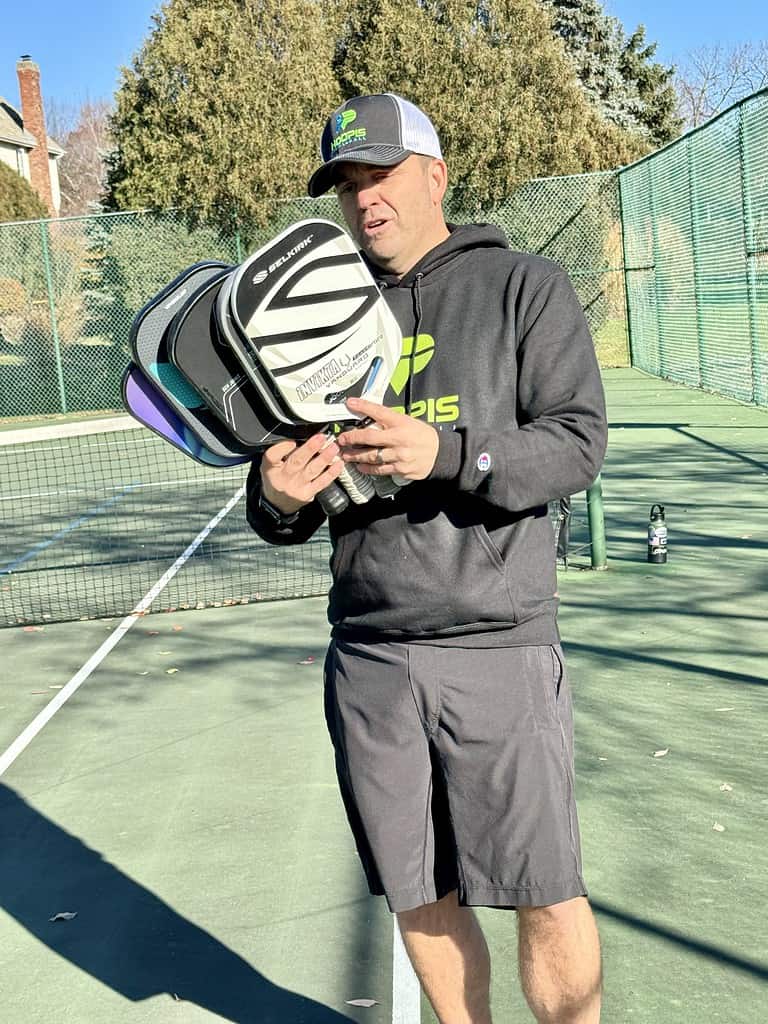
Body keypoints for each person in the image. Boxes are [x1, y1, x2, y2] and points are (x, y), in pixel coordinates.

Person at [246, 93, 606, 1024]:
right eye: (349, 184)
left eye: (384, 174)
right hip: (368, 656)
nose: (367, 199)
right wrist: (277, 498)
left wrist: (443, 454)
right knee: (419, 893)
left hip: (497, 645)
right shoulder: (316, 318)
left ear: (435, 175)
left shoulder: (524, 286)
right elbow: (284, 497)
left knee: (545, 889)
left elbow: (576, 444)